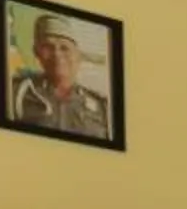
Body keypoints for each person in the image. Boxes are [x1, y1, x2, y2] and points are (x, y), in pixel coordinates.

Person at [8, 12, 111, 141]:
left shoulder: (103, 106)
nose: (57, 54)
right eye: (48, 47)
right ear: (37, 53)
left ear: (78, 56)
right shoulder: (17, 93)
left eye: (64, 48)